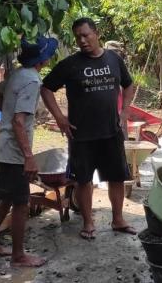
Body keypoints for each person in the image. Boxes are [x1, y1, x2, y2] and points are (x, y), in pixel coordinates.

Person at [41, 17, 136, 240]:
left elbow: (128, 84)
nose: (82, 41)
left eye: (85, 35)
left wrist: (125, 112)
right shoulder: (70, 64)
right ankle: (88, 222)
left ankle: (118, 219)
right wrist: (60, 118)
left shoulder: (114, 59)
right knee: (83, 179)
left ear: (96, 33)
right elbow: (46, 89)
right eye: (78, 37)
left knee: (117, 177)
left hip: (111, 132)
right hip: (81, 135)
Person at [0, 35, 58, 267]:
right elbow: (18, 122)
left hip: (4, 146)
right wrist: (29, 157)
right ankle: (18, 256)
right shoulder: (32, 81)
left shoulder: (17, 73)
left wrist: (6, 111)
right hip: (14, 151)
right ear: (43, 60)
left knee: (6, 197)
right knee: (21, 202)